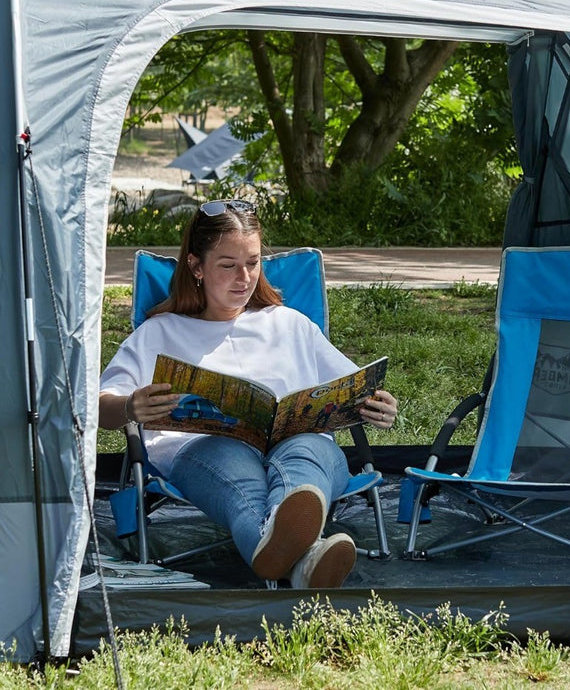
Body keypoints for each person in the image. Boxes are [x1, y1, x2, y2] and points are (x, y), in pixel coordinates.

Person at [99, 199, 397, 589]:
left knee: (307, 452)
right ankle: (304, 556)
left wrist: (379, 406)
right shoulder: (159, 333)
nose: (244, 277)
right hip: (208, 449)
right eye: (228, 265)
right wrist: (129, 405)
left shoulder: (290, 325)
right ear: (196, 267)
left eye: (253, 263)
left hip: (300, 444)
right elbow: (100, 410)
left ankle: (293, 557)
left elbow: (354, 388)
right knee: (233, 463)